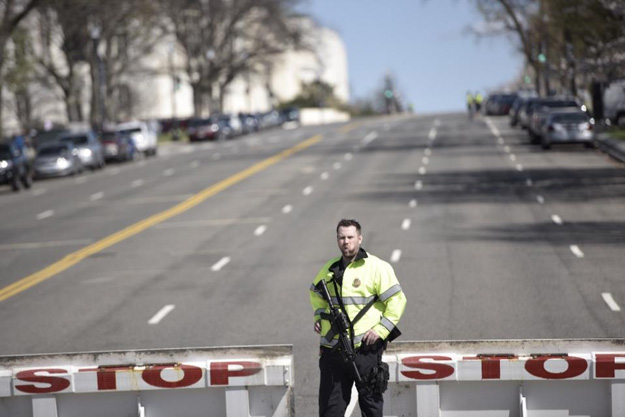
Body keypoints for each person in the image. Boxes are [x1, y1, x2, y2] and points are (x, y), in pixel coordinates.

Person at [310, 219, 407, 417]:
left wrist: (381, 330)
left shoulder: (377, 267)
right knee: (330, 411)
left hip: (366, 352)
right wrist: (319, 317)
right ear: (337, 240)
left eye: (350, 237)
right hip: (333, 353)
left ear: (360, 239)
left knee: (371, 410)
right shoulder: (329, 270)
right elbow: (315, 296)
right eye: (342, 237)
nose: (346, 242)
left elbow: (397, 301)